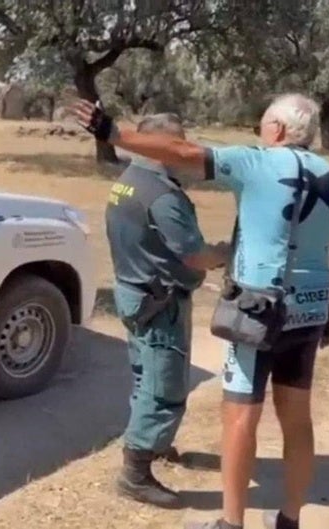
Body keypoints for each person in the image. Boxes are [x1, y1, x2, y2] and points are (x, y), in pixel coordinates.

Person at [71, 93, 329, 529]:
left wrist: (114, 134)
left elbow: (184, 153)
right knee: (297, 419)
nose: (260, 132)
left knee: (241, 415)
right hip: (311, 311)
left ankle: (230, 522)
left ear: (278, 130)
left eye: (264, 124)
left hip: (258, 310)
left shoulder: (257, 162)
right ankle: (290, 518)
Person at [105, 112, 230, 509]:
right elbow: (194, 256)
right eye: (178, 144)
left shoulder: (125, 184)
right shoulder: (162, 196)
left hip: (133, 292)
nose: (184, 152)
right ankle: (135, 473)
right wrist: (224, 254)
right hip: (160, 303)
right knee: (166, 388)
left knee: (145, 375)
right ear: (161, 146)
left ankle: (152, 444)